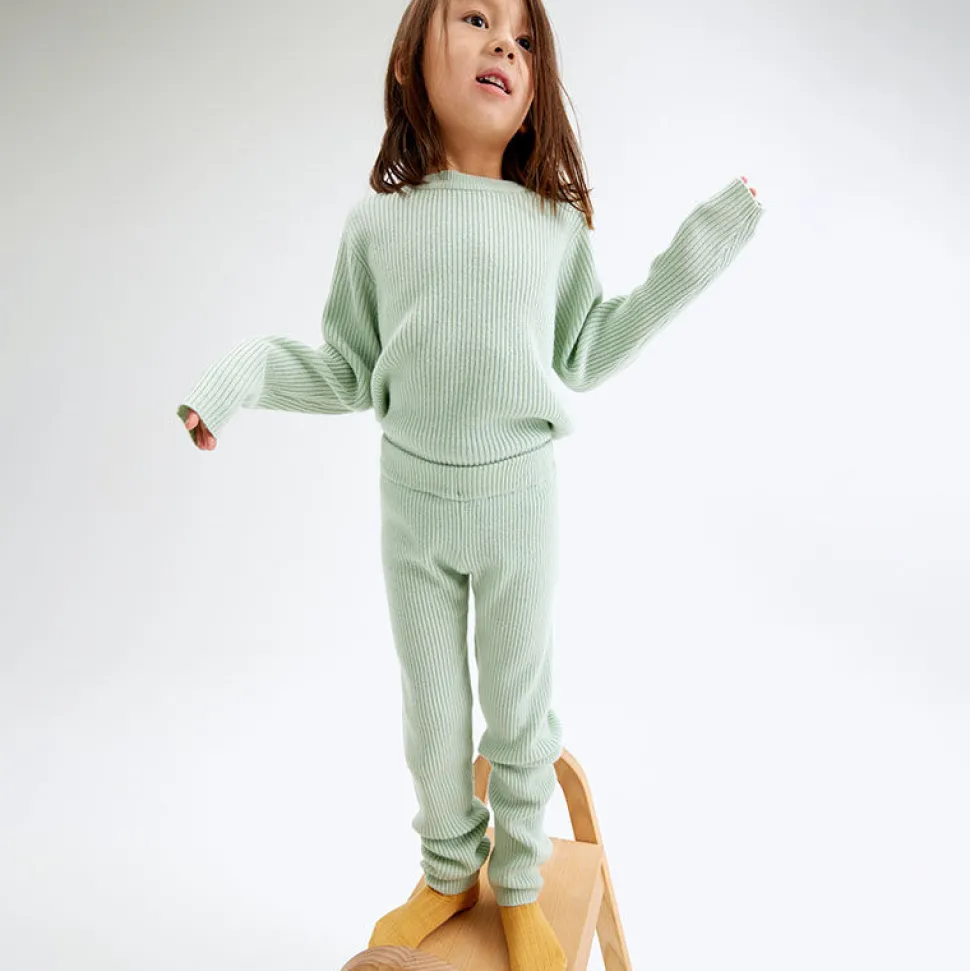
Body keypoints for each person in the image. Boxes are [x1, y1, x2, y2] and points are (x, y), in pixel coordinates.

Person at [176, 0, 765, 967]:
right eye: (477, 19)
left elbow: (589, 347)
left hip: (519, 506)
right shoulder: (378, 224)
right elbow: (345, 367)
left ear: (536, 88)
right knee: (434, 713)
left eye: (524, 40)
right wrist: (234, 380)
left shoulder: (553, 225)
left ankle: (520, 886)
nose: (504, 45)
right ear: (411, 58)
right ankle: (449, 870)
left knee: (521, 709)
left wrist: (703, 245)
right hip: (410, 507)